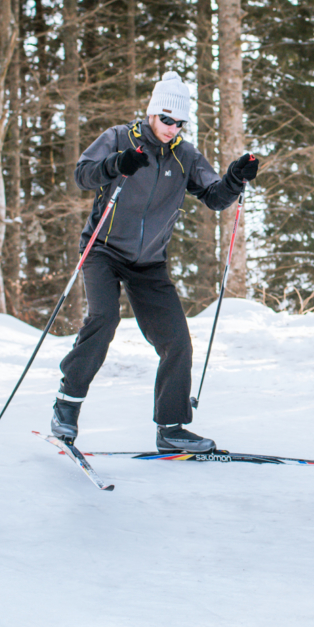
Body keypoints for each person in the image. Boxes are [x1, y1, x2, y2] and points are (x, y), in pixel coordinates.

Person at [50, 71, 258, 452]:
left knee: (176, 340)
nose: (172, 128)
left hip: (148, 263)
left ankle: (171, 427)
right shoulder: (118, 138)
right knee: (104, 319)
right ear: (151, 114)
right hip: (104, 250)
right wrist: (115, 164)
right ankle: (67, 406)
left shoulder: (186, 155)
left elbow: (213, 196)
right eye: (166, 119)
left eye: (180, 123)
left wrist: (233, 179)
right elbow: (83, 175)